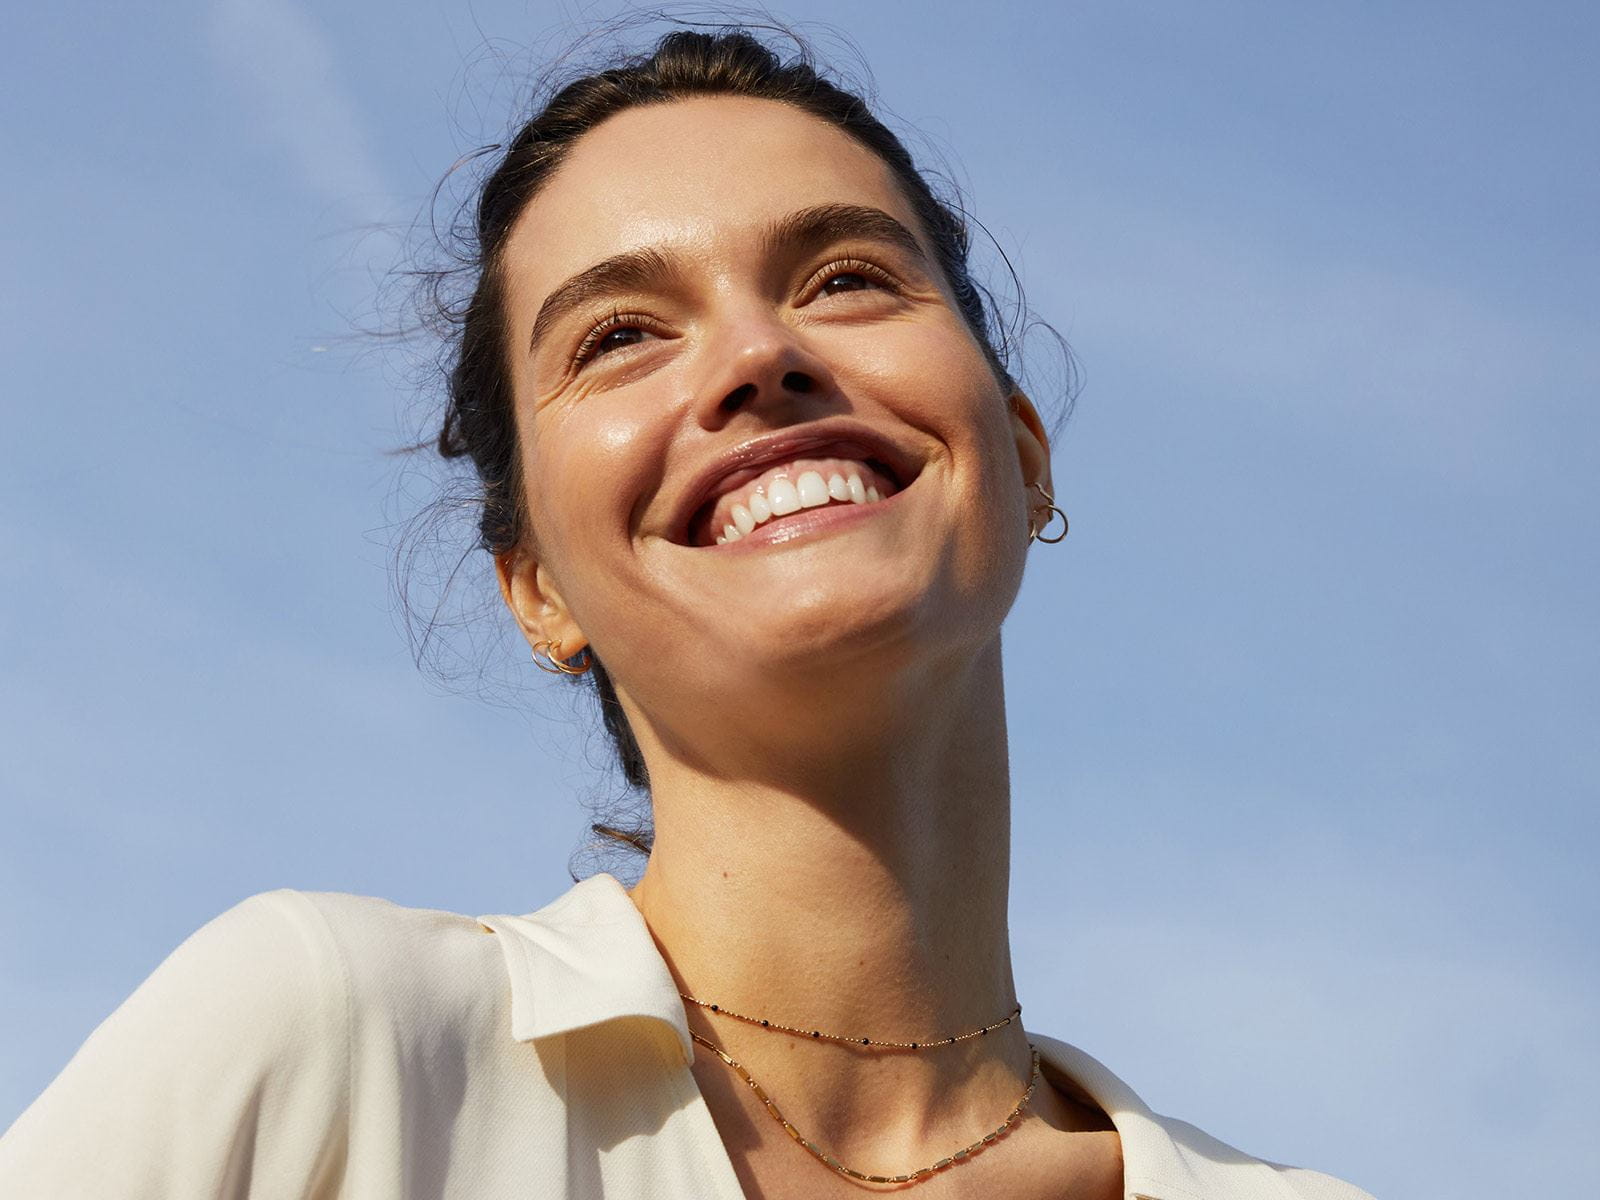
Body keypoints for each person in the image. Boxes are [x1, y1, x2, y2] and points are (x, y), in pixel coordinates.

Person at [0, 26, 1376, 1200]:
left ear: (1022, 457)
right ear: (536, 586)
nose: (759, 357)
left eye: (845, 277)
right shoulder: (340, 1051)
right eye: (620, 335)